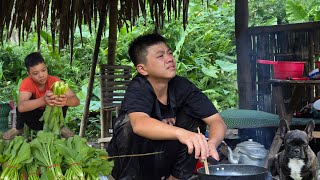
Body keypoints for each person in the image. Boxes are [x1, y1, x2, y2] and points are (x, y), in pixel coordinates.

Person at [107, 33, 227, 179]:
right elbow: (139, 124)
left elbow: (216, 121)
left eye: (169, 53)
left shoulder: (182, 86)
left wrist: (212, 144)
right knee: (127, 125)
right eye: (160, 56)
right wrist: (182, 133)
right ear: (142, 69)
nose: (170, 59)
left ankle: (175, 178)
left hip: (165, 160)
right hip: (136, 164)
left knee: (195, 120)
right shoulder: (138, 88)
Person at [3, 52, 80, 140]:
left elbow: (76, 101)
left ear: (46, 68)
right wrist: (43, 100)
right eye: (35, 73)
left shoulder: (55, 81)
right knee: (23, 103)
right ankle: (18, 129)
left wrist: (66, 101)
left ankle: (61, 127)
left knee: (62, 97)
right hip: (33, 120)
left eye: (43, 70)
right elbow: (21, 107)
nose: (41, 75)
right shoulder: (27, 83)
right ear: (29, 74)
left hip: (52, 119)